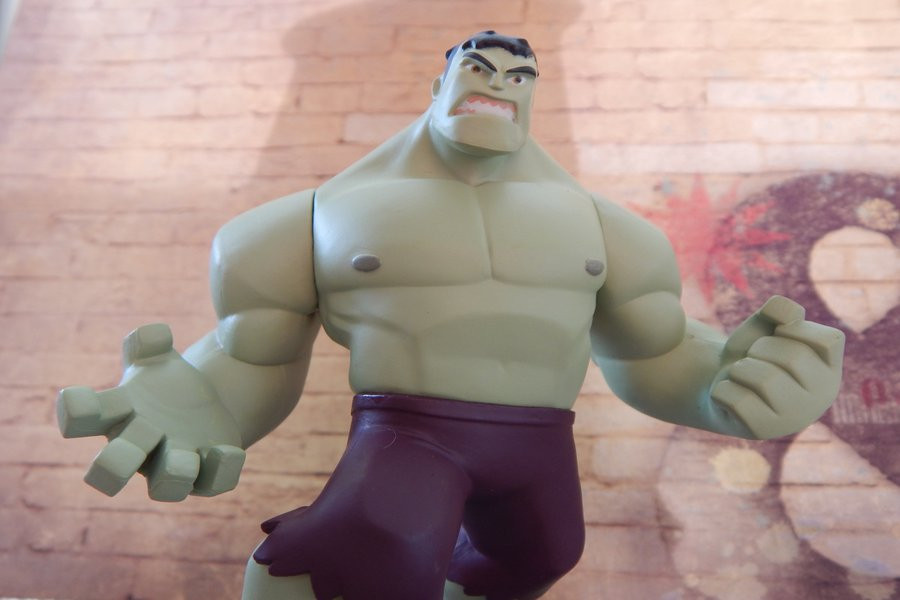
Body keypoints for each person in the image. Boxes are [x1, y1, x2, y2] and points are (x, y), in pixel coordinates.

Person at [57, 32, 845, 600]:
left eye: (518, 73)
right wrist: (204, 400)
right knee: (364, 558)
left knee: (540, 557)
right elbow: (253, 355)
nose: (499, 79)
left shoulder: (610, 230)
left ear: (530, 92)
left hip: (541, 445)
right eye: (478, 65)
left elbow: (655, 353)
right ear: (441, 83)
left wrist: (728, 388)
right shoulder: (317, 218)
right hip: (411, 434)